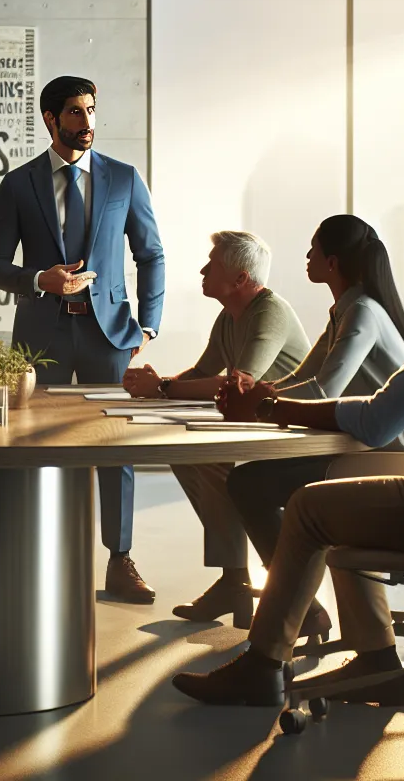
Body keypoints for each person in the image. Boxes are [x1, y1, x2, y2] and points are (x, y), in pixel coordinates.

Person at [172, 185, 404, 710]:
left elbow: (375, 421)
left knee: (311, 507)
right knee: (334, 499)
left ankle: (265, 666)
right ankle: (376, 662)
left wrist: (267, 407)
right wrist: (271, 402)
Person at [0, 75, 166, 604]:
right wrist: (40, 279)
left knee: (116, 447)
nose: (87, 123)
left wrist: (147, 326)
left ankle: (120, 559)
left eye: (91, 110)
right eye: (75, 113)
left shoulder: (124, 179)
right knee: (35, 444)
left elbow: (151, 255)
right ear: (50, 120)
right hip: (42, 335)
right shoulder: (19, 184)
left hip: (109, 334)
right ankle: (37, 554)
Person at [217, 214, 404, 642]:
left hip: (385, 455)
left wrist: (261, 403)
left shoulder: (363, 312)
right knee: (249, 482)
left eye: (313, 250)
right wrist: (260, 394)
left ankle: (302, 609)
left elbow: (326, 388)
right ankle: (303, 607)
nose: (306, 257)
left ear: (332, 262)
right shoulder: (346, 310)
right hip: (361, 445)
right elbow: (303, 381)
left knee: (247, 485)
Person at [121, 231, 311, 626]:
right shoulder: (229, 316)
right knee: (188, 459)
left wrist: (165, 388)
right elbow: (203, 373)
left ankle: (248, 585)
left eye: (214, 265)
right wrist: (157, 386)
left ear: (241, 279)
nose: (203, 270)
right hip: (256, 426)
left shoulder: (269, 312)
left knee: (210, 466)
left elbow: (237, 383)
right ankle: (234, 581)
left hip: (291, 432)